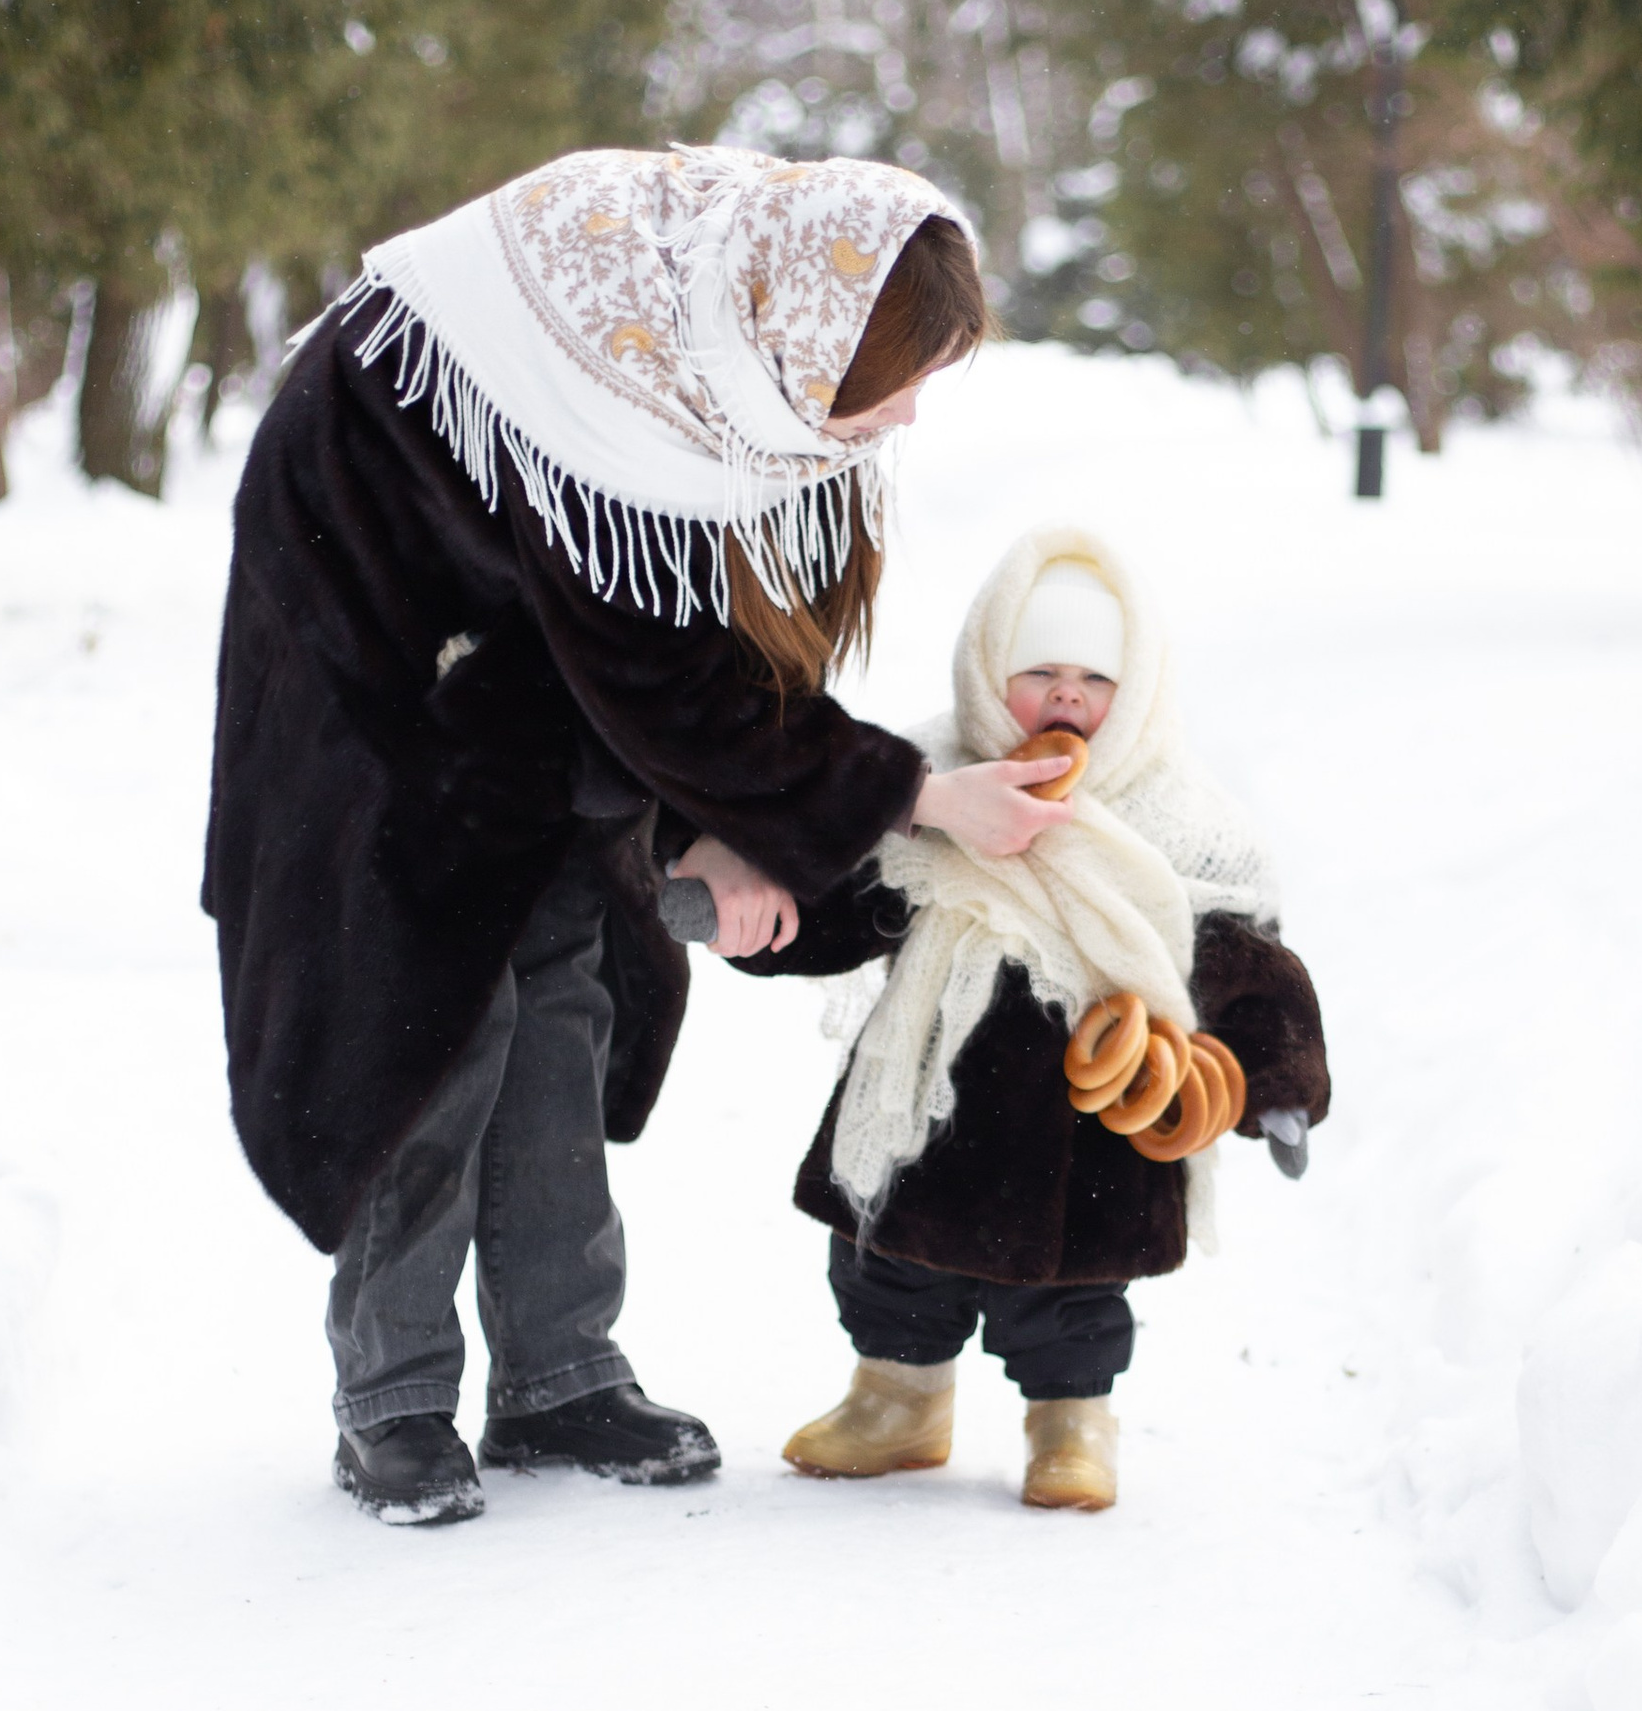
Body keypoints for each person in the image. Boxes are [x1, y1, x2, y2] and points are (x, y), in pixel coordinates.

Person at [202, 148, 1074, 1527]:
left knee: (563, 997)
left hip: (514, 662)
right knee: (435, 1014)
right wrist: (920, 793)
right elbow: (663, 670)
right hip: (373, 668)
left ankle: (556, 1372)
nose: (905, 415)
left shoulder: (715, 332)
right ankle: (396, 1398)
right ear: (816, 338)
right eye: (897, 378)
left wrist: (713, 829)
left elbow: (679, 642)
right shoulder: (600, 383)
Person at [734, 528, 1331, 1512]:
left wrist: (1273, 1082)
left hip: (1087, 1131)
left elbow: (1242, 961)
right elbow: (850, 899)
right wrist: (763, 921)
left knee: (1072, 1298)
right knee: (885, 1258)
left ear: (1134, 691)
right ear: (984, 669)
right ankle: (896, 1396)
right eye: (1038, 670)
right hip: (924, 1095)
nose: (1066, 697)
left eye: (1094, 679)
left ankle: (1072, 1421)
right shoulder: (927, 784)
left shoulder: (1178, 820)